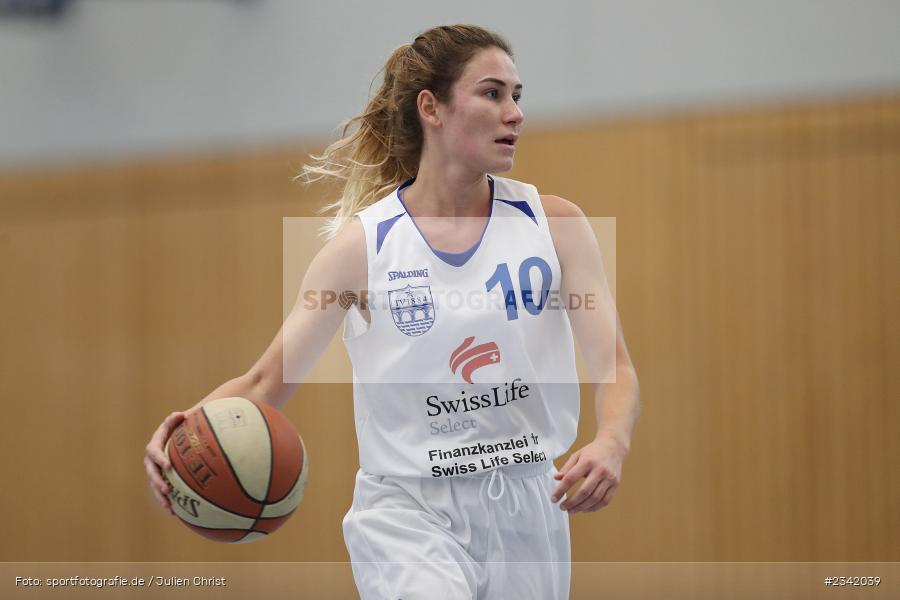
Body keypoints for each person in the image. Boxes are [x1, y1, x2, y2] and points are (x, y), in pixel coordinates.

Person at [143, 24, 640, 599]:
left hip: (530, 504)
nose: (515, 113)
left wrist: (611, 442)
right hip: (408, 512)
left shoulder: (555, 226)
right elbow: (264, 382)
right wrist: (184, 430)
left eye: (517, 95)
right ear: (431, 107)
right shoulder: (362, 248)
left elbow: (615, 367)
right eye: (492, 93)